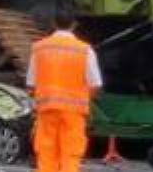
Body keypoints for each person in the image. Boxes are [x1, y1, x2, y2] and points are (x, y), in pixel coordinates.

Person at [27, 12, 103, 172]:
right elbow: (96, 84)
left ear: (54, 24)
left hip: (46, 111)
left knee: (46, 153)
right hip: (74, 113)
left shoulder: (39, 48)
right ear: (74, 24)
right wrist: (86, 101)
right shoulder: (84, 50)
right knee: (71, 154)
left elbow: (31, 85)